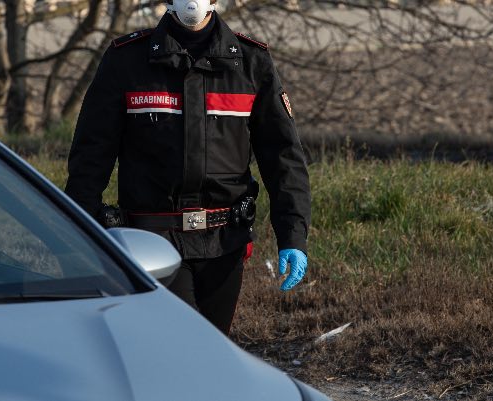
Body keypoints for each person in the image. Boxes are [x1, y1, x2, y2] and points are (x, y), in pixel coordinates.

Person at [64, 0, 310, 335]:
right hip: (152, 241)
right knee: (181, 342)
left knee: (212, 352)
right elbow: (91, 154)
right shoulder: (127, 60)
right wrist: (81, 229)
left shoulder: (251, 63)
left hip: (225, 241)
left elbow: (282, 156)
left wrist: (292, 234)